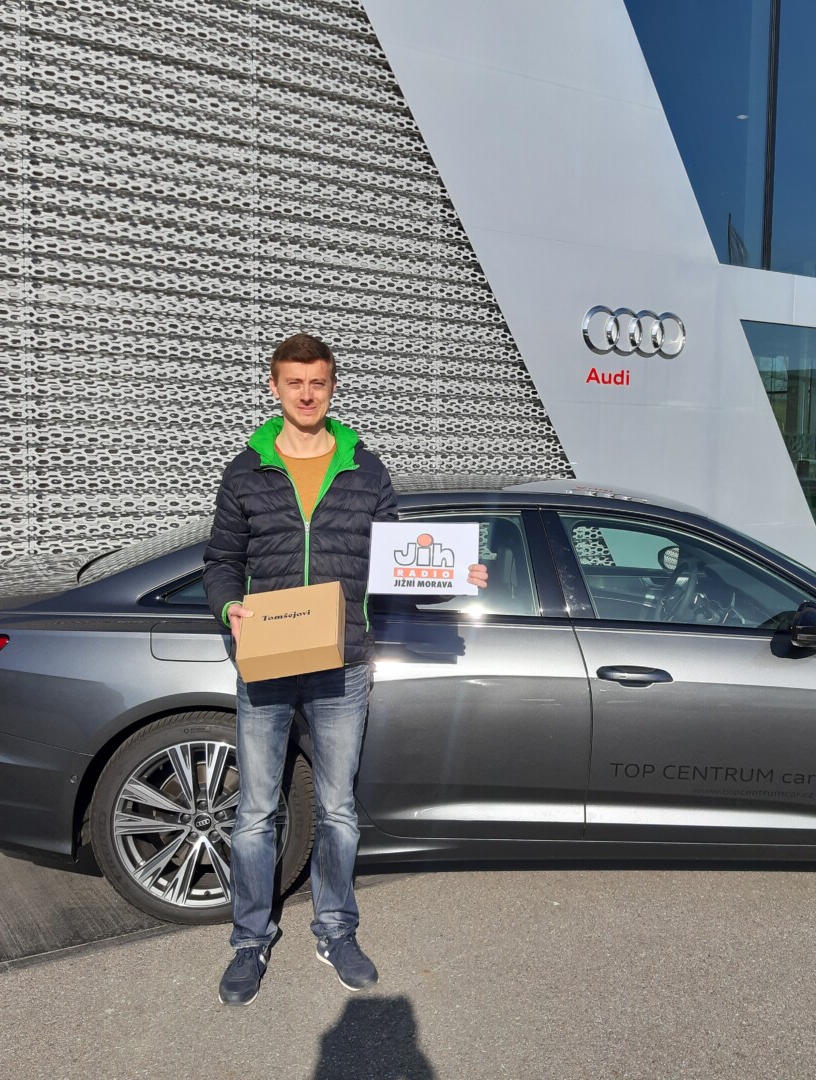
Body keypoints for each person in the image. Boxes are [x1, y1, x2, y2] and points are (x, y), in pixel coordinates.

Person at [203, 332, 486, 1006]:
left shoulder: (365, 468)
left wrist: (452, 577)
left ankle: (335, 929)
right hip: (268, 662)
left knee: (337, 809)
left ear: (332, 387)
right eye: (294, 383)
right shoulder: (246, 471)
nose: (306, 394)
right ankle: (249, 940)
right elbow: (221, 562)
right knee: (256, 811)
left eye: (318, 383)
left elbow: (395, 564)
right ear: (274, 387)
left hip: (343, 664)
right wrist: (230, 609)